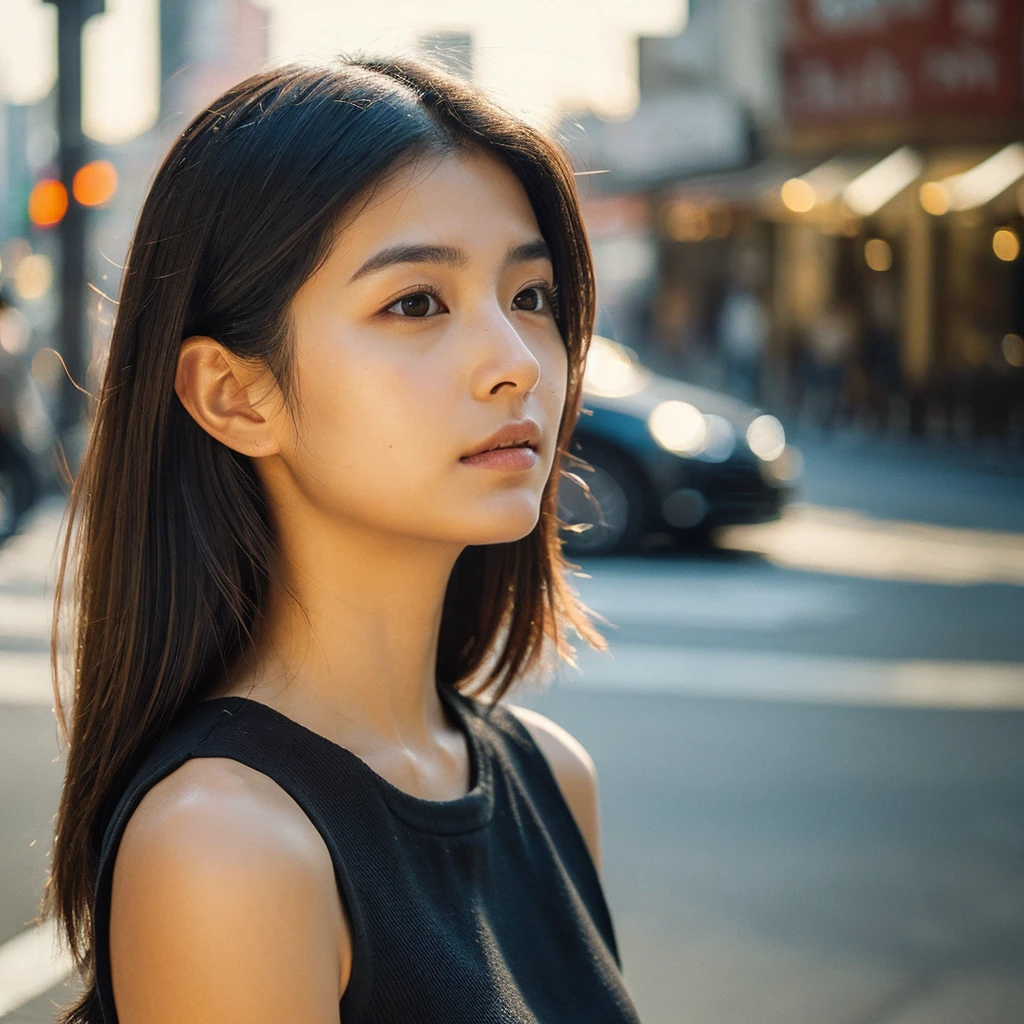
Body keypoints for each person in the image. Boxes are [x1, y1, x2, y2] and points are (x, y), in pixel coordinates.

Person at [40, 56, 642, 1024]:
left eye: (530, 297)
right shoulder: (228, 846)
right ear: (234, 395)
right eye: (415, 303)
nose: (515, 363)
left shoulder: (549, 774)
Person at [0, 286, 39, 536]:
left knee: (24, 480)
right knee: (25, 479)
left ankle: (10, 531)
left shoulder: (7, 345)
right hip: (4, 429)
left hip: (7, 428)